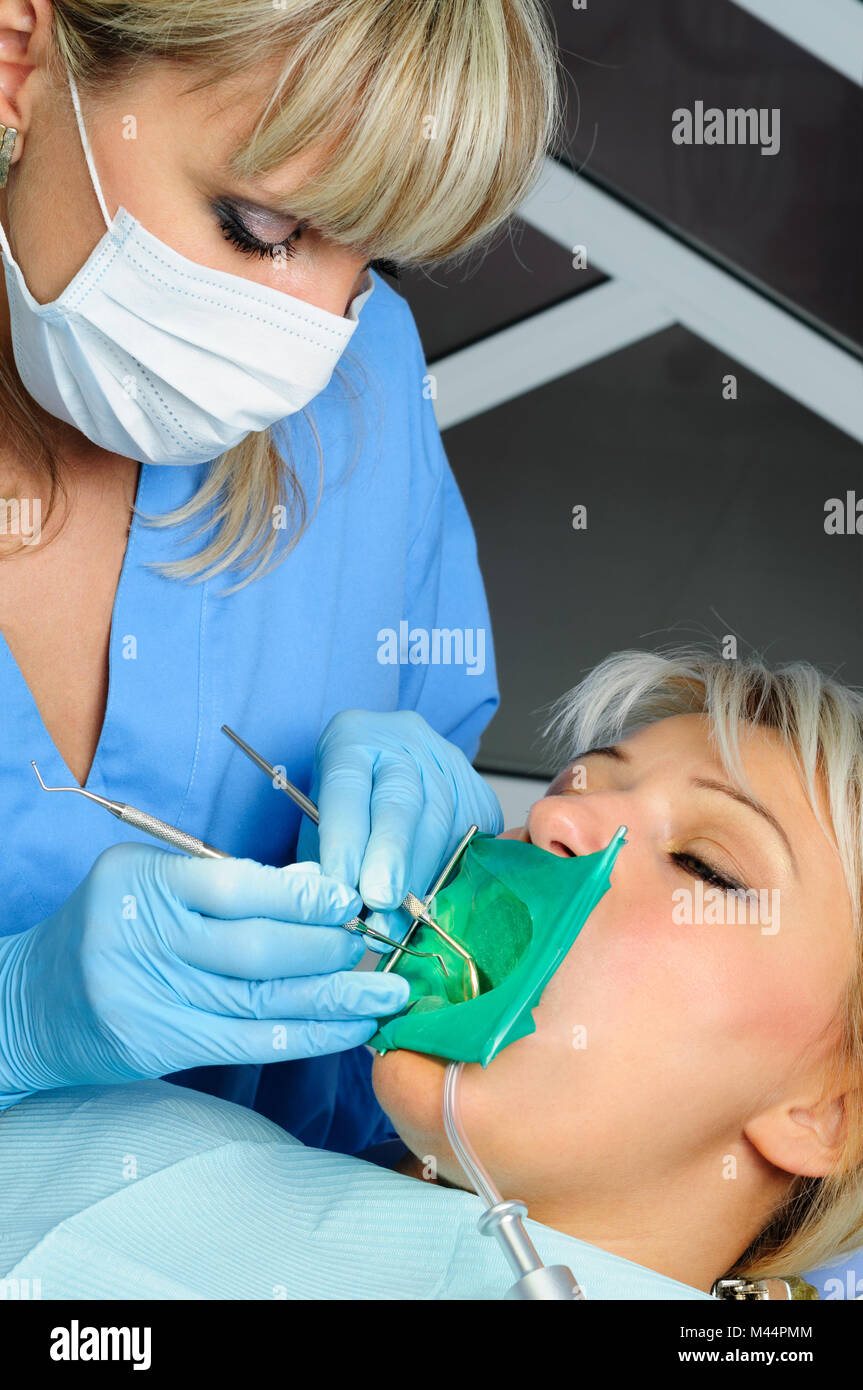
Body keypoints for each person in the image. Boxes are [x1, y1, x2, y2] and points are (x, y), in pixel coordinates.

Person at [0, 0, 559, 1150]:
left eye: (370, 254)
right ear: (21, 59)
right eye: (260, 226)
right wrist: (19, 1018)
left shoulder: (364, 374)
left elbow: (429, 967)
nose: (310, 344)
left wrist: (453, 867)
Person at [2, 647, 860, 1298]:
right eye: (572, 785)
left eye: (703, 865)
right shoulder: (155, 1148)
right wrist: (18, 1023)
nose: (556, 815)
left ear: (826, 1111)